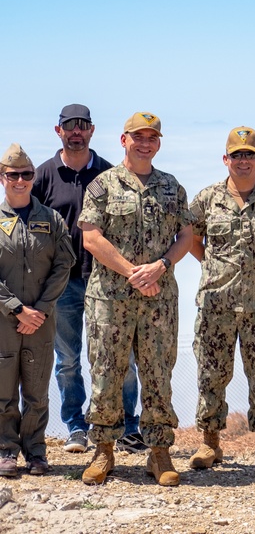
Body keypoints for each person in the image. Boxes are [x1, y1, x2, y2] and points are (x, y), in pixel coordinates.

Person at [78, 112, 194, 487]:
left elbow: (186, 235)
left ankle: (159, 452)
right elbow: (91, 238)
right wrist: (133, 272)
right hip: (110, 300)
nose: (145, 143)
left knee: (158, 373)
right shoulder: (103, 185)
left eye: (152, 138)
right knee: (106, 373)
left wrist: (160, 266)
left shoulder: (171, 187)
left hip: (158, 299)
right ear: (123, 140)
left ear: (159, 143)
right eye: (138, 137)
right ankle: (104, 451)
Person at [31, 104, 145, 455]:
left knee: (120, 358)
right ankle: (77, 427)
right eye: (70, 126)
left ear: (92, 131)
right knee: (68, 360)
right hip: (61, 285)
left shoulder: (109, 174)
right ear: (58, 131)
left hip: (107, 283)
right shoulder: (43, 176)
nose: (76, 132)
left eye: (83, 126)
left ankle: (128, 427)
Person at [187, 127, 255, 473]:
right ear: (225, 159)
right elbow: (189, 238)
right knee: (212, 373)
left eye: (250, 154)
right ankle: (209, 442)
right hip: (217, 303)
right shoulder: (206, 199)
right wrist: (215, 267)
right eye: (237, 155)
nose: (243, 161)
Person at [0, 144, 74, 476]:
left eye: (26, 175)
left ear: (33, 177)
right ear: (2, 178)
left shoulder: (52, 219)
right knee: (3, 389)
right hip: (4, 321)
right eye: (13, 175)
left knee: (37, 389)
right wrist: (17, 309)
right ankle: (6, 451)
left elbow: (64, 264)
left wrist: (40, 310)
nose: (20, 181)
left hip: (42, 320)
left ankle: (36, 452)